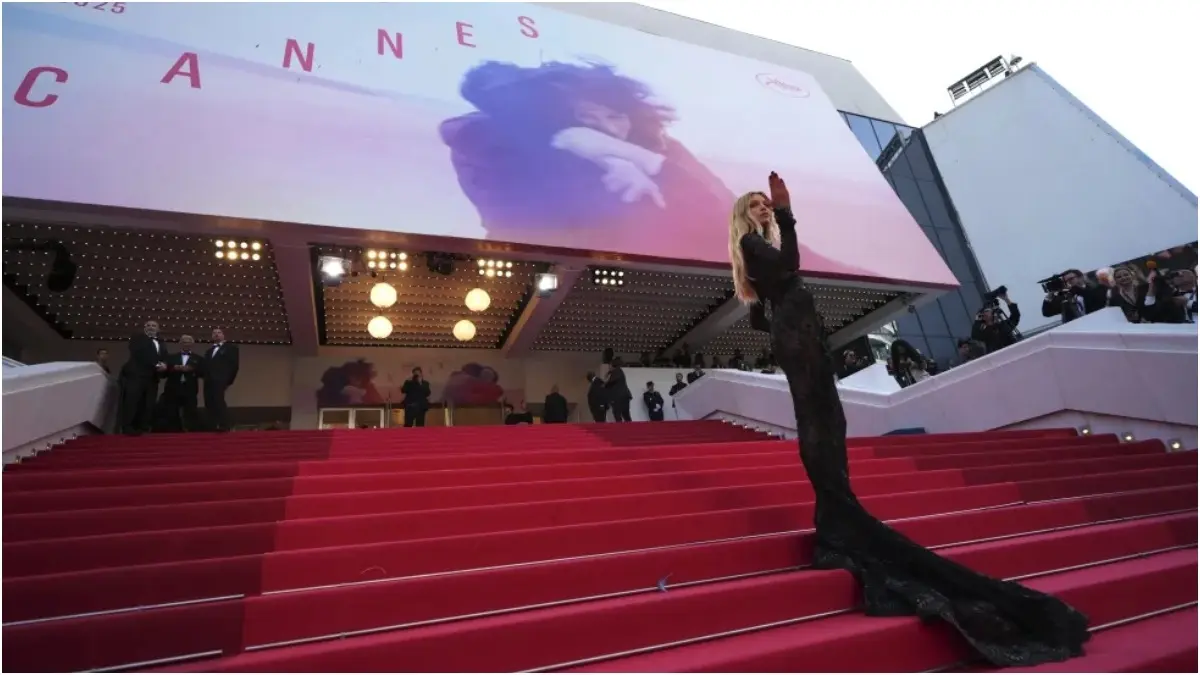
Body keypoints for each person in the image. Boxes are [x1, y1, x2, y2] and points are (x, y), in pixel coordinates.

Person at [730, 172, 1087, 666]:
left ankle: (837, 509)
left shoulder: (756, 249)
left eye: (766, 204)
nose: (763, 209)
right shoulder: (753, 242)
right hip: (798, 338)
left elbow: (758, 309)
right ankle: (838, 512)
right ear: (743, 217)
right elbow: (790, 263)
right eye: (755, 205)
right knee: (819, 420)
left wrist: (776, 313)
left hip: (799, 335)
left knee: (829, 421)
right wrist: (789, 216)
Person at [117, 320, 167, 435]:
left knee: (148, 403)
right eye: (148, 325)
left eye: (154, 325)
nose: (151, 327)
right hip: (136, 375)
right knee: (132, 401)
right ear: (144, 328)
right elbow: (140, 354)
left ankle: (143, 427)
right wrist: (157, 364)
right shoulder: (137, 338)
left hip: (152, 378)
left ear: (158, 329)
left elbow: (164, 356)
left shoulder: (161, 342)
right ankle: (128, 426)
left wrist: (164, 364)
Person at [161, 335, 203, 432]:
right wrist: (174, 368)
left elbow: (203, 372)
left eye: (188, 342)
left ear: (192, 344)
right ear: (180, 343)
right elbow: (164, 373)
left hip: (190, 388)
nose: (186, 343)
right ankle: (174, 431)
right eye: (184, 341)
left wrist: (192, 369)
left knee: (190, 410)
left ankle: (191, 431)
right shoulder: (171, 357)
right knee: (171, 410)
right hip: (173, 388)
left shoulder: (198, 358)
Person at [203, 327, 239, 432]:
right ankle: (212, 425)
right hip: (208, 380)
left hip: (221, 379)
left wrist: (228, 381)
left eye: (219, 332)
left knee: (218, 401)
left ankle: (224, 424)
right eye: (214, 333)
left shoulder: (231, 348)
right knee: (209, 401)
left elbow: (234, 365)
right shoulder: (209, 351)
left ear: (223, 335)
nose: (216, 334)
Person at [605, 357, 633, 423]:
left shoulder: (616, 371)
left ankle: (621, 430)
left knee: (618, 414)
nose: (609, 367)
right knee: (625, 415)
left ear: (612, 365)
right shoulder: (618, 371)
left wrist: (604, 384)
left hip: (619, 398)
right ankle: (631, 429)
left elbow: (611, 382)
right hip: (623, 397)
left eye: (609, 365)